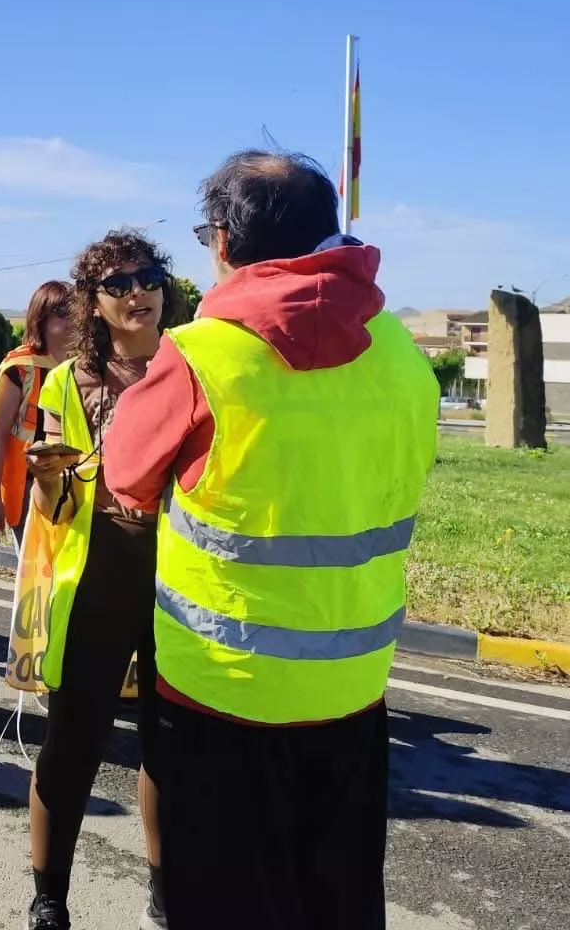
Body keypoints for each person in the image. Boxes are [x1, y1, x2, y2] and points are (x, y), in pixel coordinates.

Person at [104, 151, 438, 930]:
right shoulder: (400, 352)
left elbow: (126, 482)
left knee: (221, 904)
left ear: (222, 241)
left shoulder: (199, 355)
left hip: (218, 688)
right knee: (337, 899)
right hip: (353, 686)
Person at [20, 233, 183, 930]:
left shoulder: (193, 365)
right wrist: (49, 474)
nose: (137, 292)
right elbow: (54, 510)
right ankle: (48, 898)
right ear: (93, 303)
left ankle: (164, 899)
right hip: (97, 577)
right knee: (75, 738)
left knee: (168, 742)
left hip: (182, 577)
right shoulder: (66, 382)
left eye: (148, 278)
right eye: (118, 285)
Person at [0, 280, 74, 558]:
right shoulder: (20, 368)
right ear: (41, 317)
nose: (72, 318)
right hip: (27, 485)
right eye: (62, 312)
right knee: (35, 572)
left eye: (76, 310)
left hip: (72, 484)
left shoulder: (84, 366)